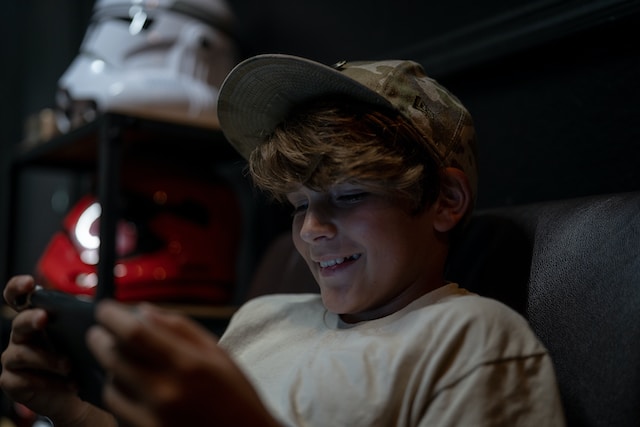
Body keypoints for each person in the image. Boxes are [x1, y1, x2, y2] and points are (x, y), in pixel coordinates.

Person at [0, 54, 566, 426]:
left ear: (444, 201)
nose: (313, 229)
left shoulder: (473, 342)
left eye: (347, 197)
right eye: (298, 205)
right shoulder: (262, 318)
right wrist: (65, 407)